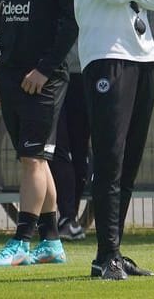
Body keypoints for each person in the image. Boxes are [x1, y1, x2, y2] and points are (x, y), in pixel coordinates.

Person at [64, 0, 154, 280]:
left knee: (129, 163)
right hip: (106, 55)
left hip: (145, 56)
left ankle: (116, 251)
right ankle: (104, 257)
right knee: (110, 159)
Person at [0, 0, 78, 266]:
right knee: (34, 157)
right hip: (8, 74)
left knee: (32, 159)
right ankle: (50, 241)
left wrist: (44, 69)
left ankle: (21, 241)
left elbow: (71, 20)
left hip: (45, 77)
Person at [48, 40, 90, 241]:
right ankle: (64, 218)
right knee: (56, 147)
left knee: (79, 151)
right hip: (52, 73)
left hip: (83, 72)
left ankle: (68, 218)